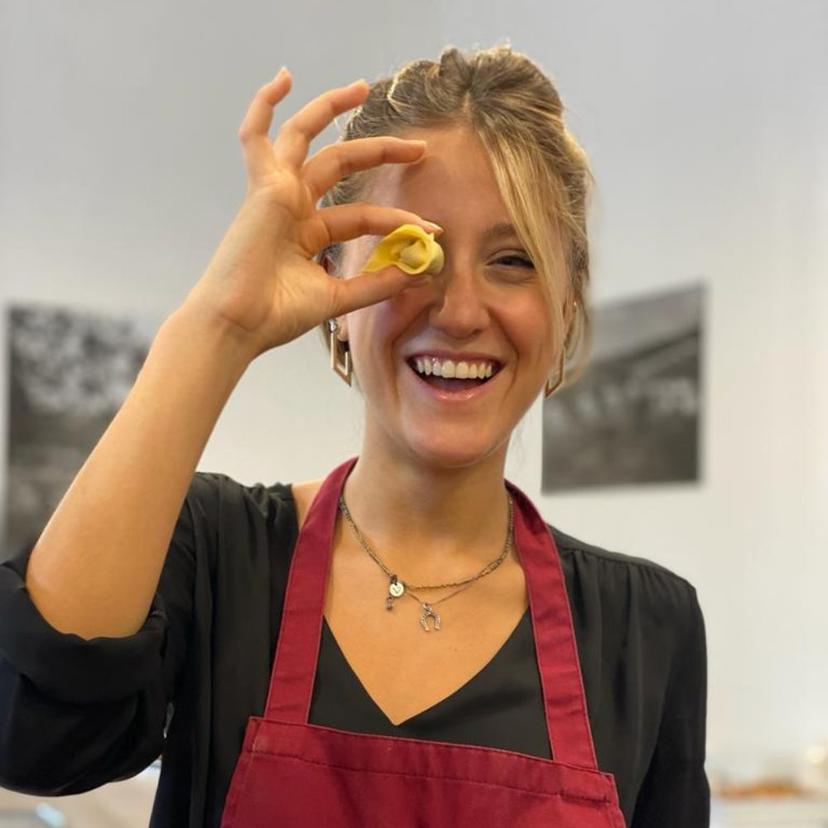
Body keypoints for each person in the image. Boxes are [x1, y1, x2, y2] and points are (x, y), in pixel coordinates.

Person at [0, 45, 710, 827]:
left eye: (513, 261)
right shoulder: (219, 556)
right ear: (334, 295)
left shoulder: (645, 629)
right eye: (415, 251)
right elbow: (35, 735)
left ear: (566, 310)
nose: (461, 310)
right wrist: (218, 325)